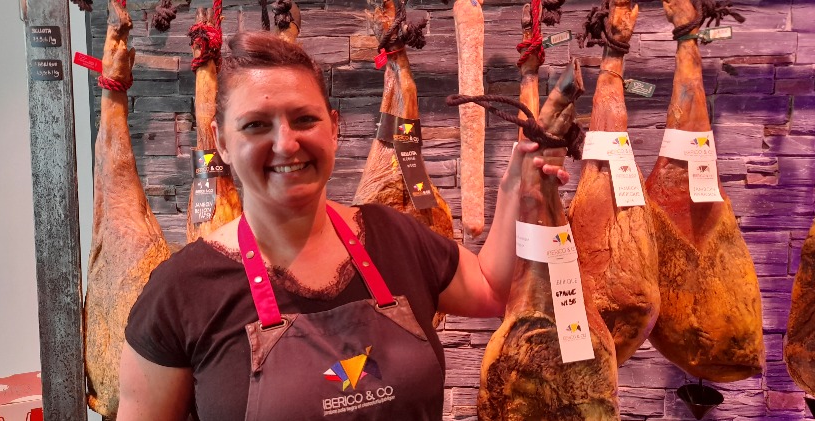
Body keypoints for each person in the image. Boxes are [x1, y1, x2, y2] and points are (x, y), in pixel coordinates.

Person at [117, 30, 568, 420]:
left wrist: (516, 188)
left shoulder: (394, 236)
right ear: (221, 142)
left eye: (305, 119)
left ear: (334, 128)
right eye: (255, 125)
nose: (286, 144)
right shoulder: (181, 292)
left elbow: (492, 289)